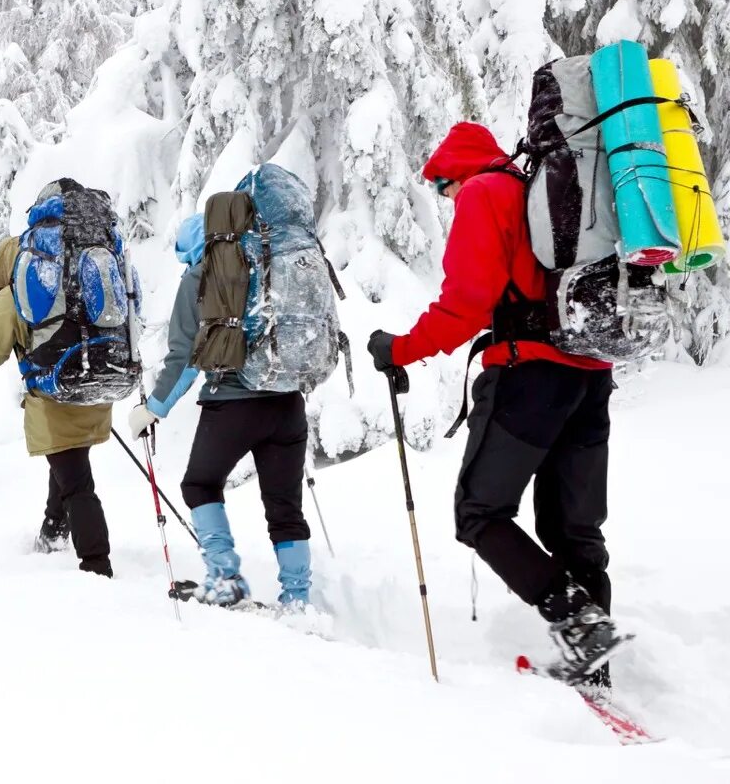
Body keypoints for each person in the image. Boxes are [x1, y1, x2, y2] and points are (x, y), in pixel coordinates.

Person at [366, 121, 627, 688]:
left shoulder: (485, 193)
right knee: (573, 529)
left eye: (441, 187)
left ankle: (584, 630)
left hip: (527, 378)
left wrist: (401, 349)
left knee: (479, 512)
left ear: (454, 172)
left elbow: (466, 304)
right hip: (590, 373)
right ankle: (594, 662)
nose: (444, 198)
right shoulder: (544, 191)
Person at [127, 212, 313, 610]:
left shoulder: (200, 279)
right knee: (285, 507)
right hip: (288, 403)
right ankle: (297, 599)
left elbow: (184, 358)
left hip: (233, 405)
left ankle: (225, 579)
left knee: (199, 485)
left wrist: (153, 409)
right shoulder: (269, 264)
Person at [0, 237, 114, 577]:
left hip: (55, 397)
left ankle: (96, 564)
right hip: (94, 387)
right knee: (70, 463)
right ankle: (52, 533)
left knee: (75, 480)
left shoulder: (18, 293)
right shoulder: (70, 284)